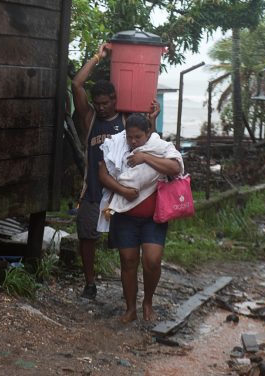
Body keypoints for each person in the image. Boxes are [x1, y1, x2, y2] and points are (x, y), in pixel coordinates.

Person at [71, 43, 159, 299]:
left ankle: (127, 290)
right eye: (97, 103)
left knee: (125, 245)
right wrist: (98, 56)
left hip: (120, 192)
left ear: (114, 100)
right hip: (93, 190)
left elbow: (147, 140)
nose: (101, 107)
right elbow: (77, 85)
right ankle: (90, 284)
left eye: (106, 103)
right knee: (87, 236)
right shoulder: (89, 120)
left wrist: (152, 119)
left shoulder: (125, 121)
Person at [98, 114, 183, 322]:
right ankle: (130, 309)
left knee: (152, 261)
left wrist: (145, 157)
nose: (133, 141)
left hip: (154, 217)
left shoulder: (160, 147)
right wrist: (123, 190)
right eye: (130, 137)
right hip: (126, 216)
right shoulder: (117, 146)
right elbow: (103, 173)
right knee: (128, 261)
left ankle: (148, 302)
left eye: (138, 137)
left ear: (148, 134)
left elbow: (175, 167)